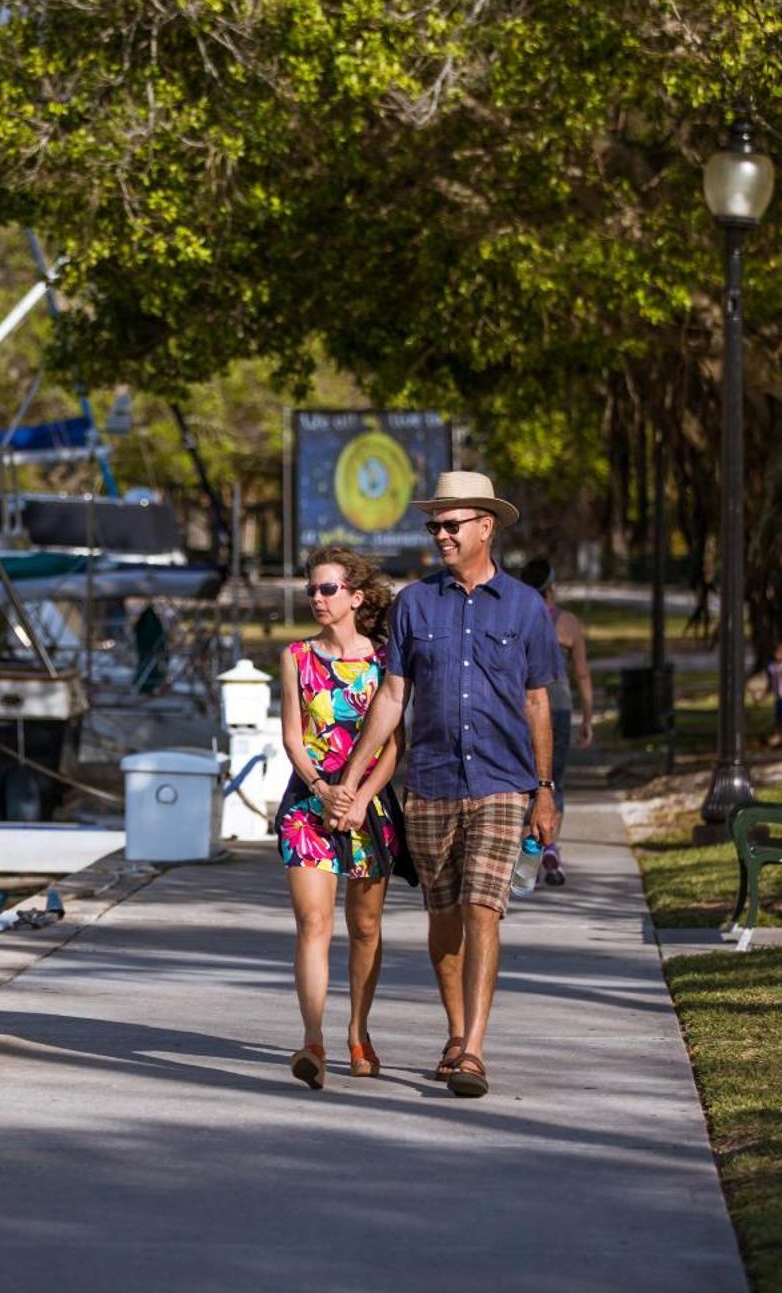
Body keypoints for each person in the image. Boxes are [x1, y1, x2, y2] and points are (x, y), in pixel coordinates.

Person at [336, 471, 558, 1099]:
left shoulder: (525, 608)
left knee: (485, 909)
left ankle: (475, 1051)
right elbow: (392, 695)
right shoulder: (414, 604)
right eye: (433, 524)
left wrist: (545, 788)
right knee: (444, 918)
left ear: (485, 527)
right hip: (431, 783)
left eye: (450, 524)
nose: (439, 534)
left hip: (502, 782)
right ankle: (456, 1032)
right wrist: (353, 777)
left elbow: (538, 701)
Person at [274, 547, 410, 1090]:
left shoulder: (383, 660)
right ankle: (313, 1040)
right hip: (308, 805)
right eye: (311, 589)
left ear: (355, 597)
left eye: (328, 589)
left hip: (368, 807)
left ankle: (359, 1030)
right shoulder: (296, 657)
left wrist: (358, 796)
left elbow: (393, 746)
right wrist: (322, 789)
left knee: (366, 927)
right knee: (314, 924)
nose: (317, 598)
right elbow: (292, 735)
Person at [516, 558, 593, 887]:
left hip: (521, 707)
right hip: (558, 708)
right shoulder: (568, 622)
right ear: (551, 587)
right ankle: (548, 848)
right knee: (553, 781)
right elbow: (582, 672)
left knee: (523, 781)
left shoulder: (517, 617)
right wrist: (588, 717)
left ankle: (522, 860)